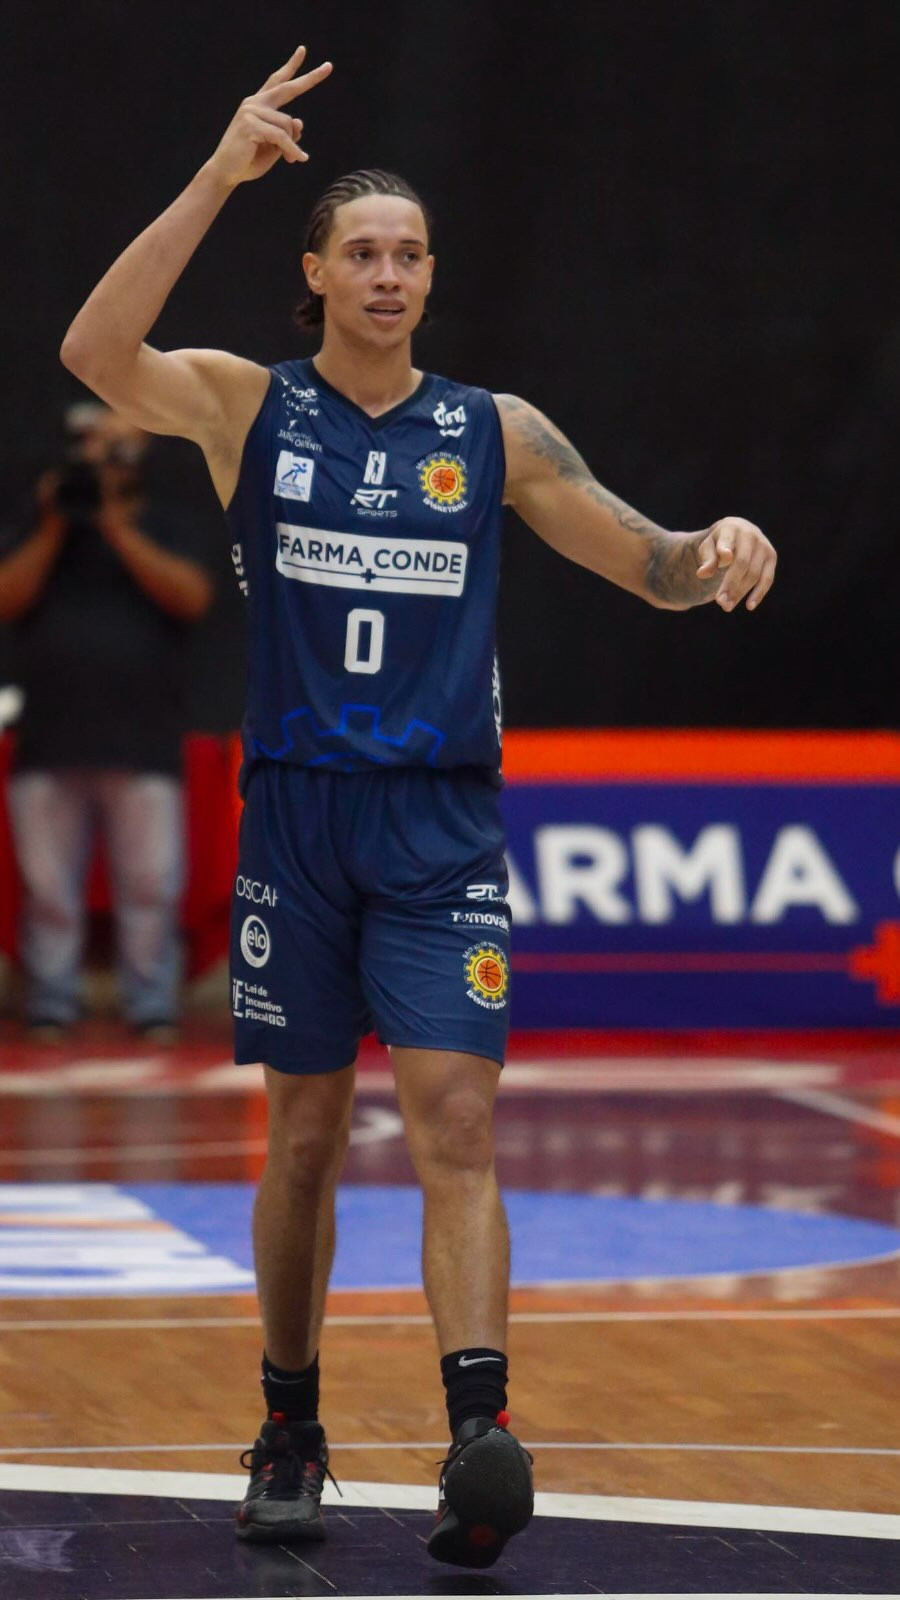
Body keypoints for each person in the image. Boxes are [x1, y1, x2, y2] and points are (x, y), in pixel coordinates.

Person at [59, 45, 777, 1568]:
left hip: (442, 825)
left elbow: (649, 564)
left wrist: (713, 543)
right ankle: (290, 1426)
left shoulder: (493, 432)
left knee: (455, 1114)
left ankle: (479, 1433)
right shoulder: (248, 408)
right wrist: (221, 169)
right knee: (306, 1135)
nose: (389, 275)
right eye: (365, 253)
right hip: (300, 819)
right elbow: (95, 349)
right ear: (317, 272)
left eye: (411, 254)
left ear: (431, 277)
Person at [0, 403, 214, 1039]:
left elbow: (193, 598)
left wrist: (118, 528)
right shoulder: (39, 520)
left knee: (150, 885)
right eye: (94, 447)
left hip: (143, 736)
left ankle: (152, 1005)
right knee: (47, 889)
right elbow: (7, 597)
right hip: (49, 736)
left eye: (118, 449)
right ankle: (50, 1004)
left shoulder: (166, 520)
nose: (103, 464)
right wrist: (54, 525)